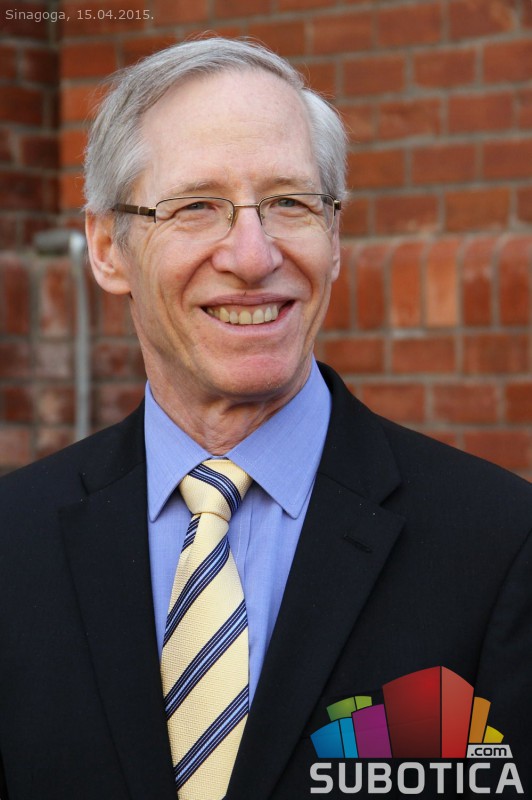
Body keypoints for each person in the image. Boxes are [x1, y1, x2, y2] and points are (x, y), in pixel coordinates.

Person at [0, 37, 531, 800]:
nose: (252, 256)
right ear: (108, 247)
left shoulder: (500, 545)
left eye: (290, 202)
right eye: (196, 206)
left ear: (334, 237)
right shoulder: (14, 543)